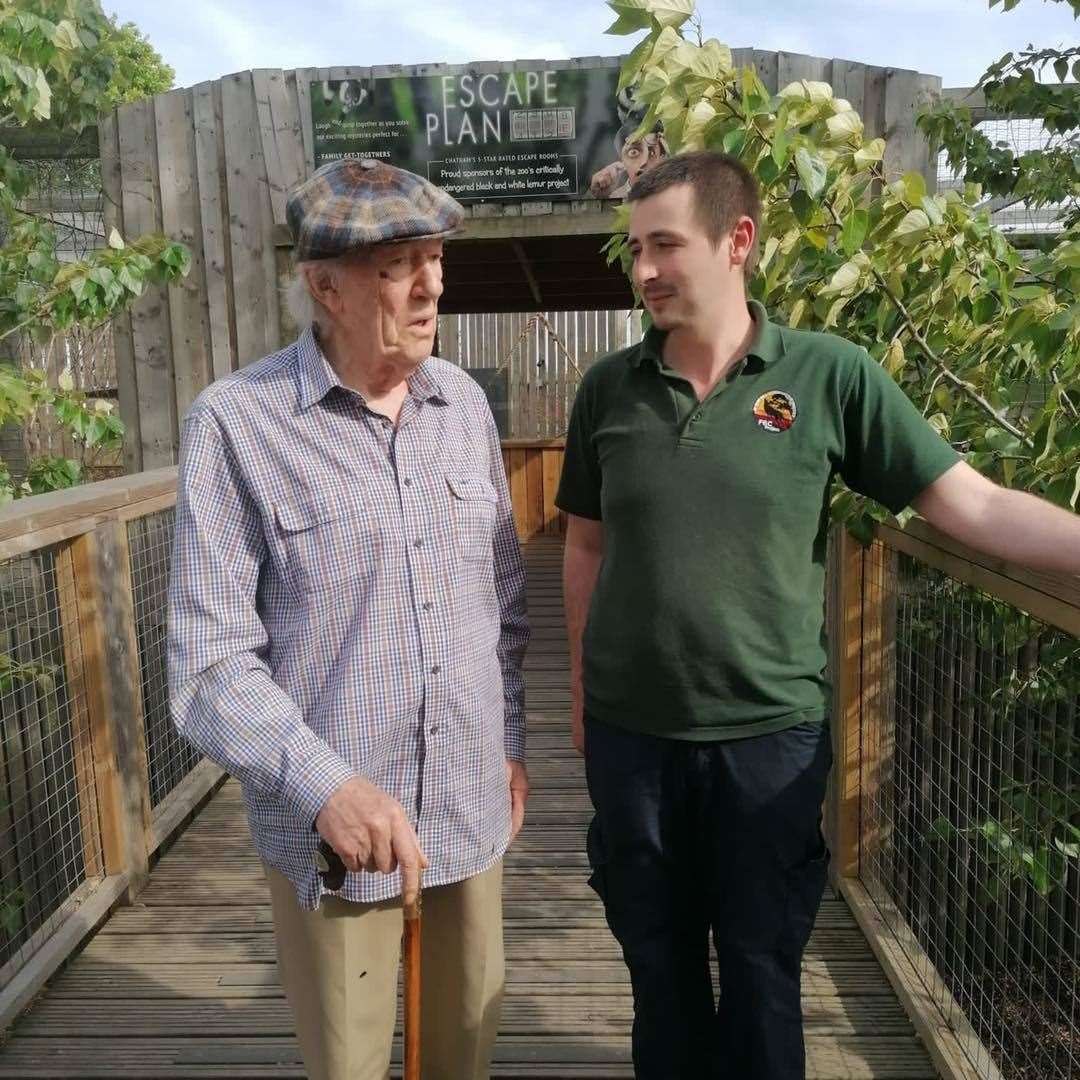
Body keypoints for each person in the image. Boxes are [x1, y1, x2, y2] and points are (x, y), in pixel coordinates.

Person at [555, 150, 1080, 1080]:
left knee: (762, 977)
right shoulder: (609, 388)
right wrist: (578, 687)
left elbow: (976, 506)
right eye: (635, 249)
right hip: (634, 740)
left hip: (771, 743)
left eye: (664, 246)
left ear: (738, 242)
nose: (642, 272)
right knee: (658, 976)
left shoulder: (830, 375)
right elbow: (586, 545)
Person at [168, 157, 530, 1080]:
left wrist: (512, 742)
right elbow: (208, 666)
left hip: (469, 806)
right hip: (336, 840)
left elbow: (504, 604)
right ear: (323, 286)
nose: (432, 282)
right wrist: (327, 784)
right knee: (352, 1066)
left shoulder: (464, 410)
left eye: (434, 257)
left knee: (464, 1057)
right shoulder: (238, 424)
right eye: (399, 263)